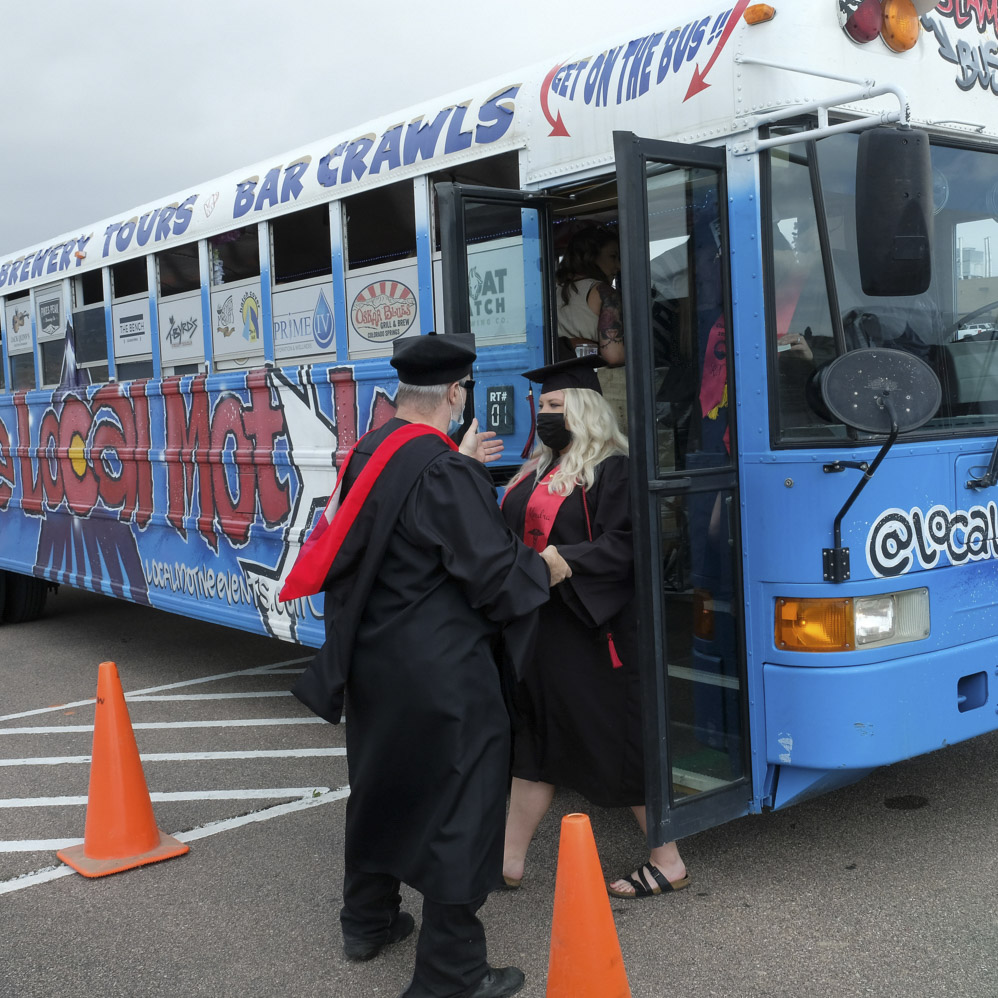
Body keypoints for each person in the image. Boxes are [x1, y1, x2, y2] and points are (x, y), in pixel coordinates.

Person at [279, 333, 568, 998]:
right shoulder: (443, 470)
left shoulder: (374, 449)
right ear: (457, 393)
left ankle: (368, 920)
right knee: (463, 806)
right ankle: (451, 974)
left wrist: (459, 463)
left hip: (378, 659)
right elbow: (493, 577)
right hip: (442, 669)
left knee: (382, 787)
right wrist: (544, 568)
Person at [498, 355, 689, 900]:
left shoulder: (614, 470)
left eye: (555, 406)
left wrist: (568, 561)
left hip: (590, 628)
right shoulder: (537, 469)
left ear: (584, 411)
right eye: (542, 406)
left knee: (616, 741)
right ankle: (508, 861)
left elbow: (628, 541)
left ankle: (668, 858)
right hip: (539, 627)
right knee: (534, 742)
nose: (544, 414)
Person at [555, 224, 628, 430]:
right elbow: (614, 355)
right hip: (598, 388)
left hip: (560, 387)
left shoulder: (550, 289)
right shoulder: (603, 291)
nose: (618, 266)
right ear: (591, 256)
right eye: (613, 257)